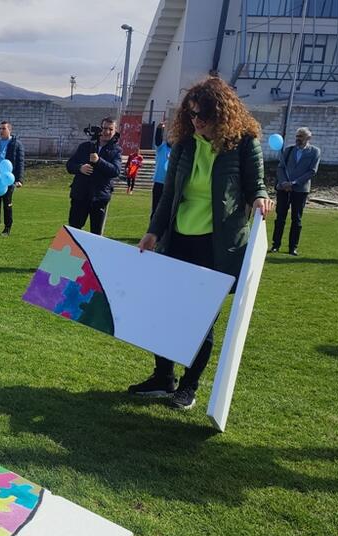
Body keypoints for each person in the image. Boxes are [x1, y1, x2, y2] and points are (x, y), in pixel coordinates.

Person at [129, 76, 273, 409]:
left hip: (216, 247)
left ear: (222, 113)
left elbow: (257, 184)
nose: (197, 120)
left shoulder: (244, 143)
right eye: (192, 113)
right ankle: (163, 378)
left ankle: (188, 387)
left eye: (203, 115)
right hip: (177, 241)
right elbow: (169, 195)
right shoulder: (185, 144)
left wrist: (260, 197)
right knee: (163, 311)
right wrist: (153, 231)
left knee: (200, 319)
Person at [66, 118, 122, 235]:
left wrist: (99, 161)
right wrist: (80, 168)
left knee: (96, 234)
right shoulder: (85, 146)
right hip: (80, 194)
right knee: (74, 231)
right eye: (104, 128)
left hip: (99, 197)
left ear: (115, 131)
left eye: (110, 129)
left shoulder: (116, 150)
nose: (107, 132)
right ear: (100, 129)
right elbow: (70, 165)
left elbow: (115, 171)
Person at [271, 127, 321, 255]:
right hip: (283, 189)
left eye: (301, 136)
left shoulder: (315, 152)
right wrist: (284, 182)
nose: (298, 139)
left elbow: (312, 171)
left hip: (300, 190)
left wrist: (294, 183)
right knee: (280, 217)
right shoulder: (288, 150)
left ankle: (293, 247)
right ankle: (275, 245)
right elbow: (280, 168)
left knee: (296, 219)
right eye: (297, 136)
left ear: (308, 138)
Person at [152, 124, 171, 218]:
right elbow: (158, 139)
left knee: (168, 210)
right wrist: (159, 128)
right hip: (159, 183)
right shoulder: (161, 147)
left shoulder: (177, 150)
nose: (171, 138)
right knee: (155, 209)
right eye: (169, 135)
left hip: (170, 184)